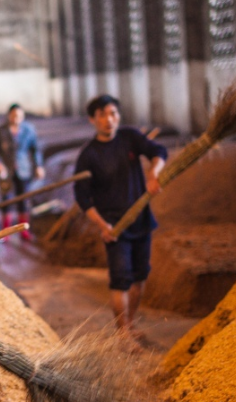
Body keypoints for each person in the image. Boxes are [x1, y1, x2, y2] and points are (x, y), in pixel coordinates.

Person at [73, 95, 167, 337]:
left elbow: (158, 150)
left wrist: (153, 173)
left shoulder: (130, 137)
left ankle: (130, 324)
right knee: (120, 279)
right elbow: (83, 198)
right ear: (92, 119)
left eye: (113, 113)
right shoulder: (88, 155)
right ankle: (122, 333)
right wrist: (103, 225)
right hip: (115, 228)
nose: (109, 120)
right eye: (102, 115)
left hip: (142, 220)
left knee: (140, 276)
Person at [0, 103, 45, 241]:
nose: (16, 118)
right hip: (6, 170)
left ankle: (24, 230)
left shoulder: (29, 130)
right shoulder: (1, 130)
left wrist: (38, 166)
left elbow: (35, 150)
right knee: (5, 201)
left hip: (23, 169)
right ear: (9, 115)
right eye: (14, 115)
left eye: (19, 116)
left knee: (23, 201)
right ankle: (5, 232)